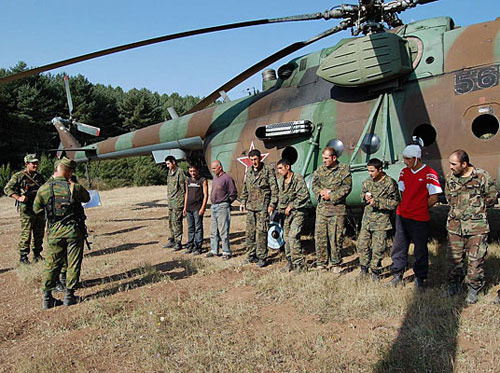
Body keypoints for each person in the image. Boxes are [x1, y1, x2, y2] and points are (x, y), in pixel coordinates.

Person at [33, 157, 90, 309]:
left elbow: (36, 209)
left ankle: (47, 298)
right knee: (73, 263)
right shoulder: (74, 188)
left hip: (54, 232)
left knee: (51, 264)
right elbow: (87, 197)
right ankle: (69, 297)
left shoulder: (44, 189)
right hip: (73, 231)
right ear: (69, 172)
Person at [444, 149, 498, 304]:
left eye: (454, 164)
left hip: (477, 228)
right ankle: (454, 285)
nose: (451, 167)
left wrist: (476, 210)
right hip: (455, 226)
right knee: (454, 260)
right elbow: (449, 197)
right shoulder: (450, 178)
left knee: (475, 261)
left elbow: (492, 196)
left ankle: (473, 289)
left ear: (464, 164)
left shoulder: (481, 176)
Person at [389, 144, 442, 290]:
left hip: (419, 218)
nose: (405, 161)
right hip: (403, 215)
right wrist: (407, 206)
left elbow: (434, 197)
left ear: (416, 158)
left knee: (420, 249)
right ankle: (397, 273)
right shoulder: (404, 172)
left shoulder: (429, 173)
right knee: (399, 246)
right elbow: (403, 193)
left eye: (407, 159)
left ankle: (420, 277)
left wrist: (420, 207)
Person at [357, 158, 400, 280]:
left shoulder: (390, 183)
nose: (370, 173)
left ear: (380, 169)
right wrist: (365, 198)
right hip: (367, 220)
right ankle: (364, 269)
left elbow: (395, 202)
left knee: (378, 248)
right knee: (362, 245)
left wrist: (377, 202)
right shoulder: (367, 182)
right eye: (368, 171)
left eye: (372, 171)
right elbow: (362, 196)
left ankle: (375, 271)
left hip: (381, 221)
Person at [312, 146, 352, 272]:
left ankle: (336, 264)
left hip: (336, 210)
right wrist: (320, 192)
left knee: (335, 238)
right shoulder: (320, 170)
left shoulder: (344, 170)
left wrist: (332, 195)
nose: (324, 161)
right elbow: (314, 184)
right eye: (323, 158)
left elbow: (347, 187)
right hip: (322, 210)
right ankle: (321, 263)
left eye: (326, 158)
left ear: (334, 158)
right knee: (320, 237)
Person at [4, 154, 46, 264]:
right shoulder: (19, 176)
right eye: (33, 163)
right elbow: (7, 189)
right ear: (27, 164)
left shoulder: (39, 177)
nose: (36, 165)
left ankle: (37, 254)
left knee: (39, 233)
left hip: (39, 209)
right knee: (26, 233)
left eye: (37, 163)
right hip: (27, 209)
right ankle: (23, 257)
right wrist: (18, 197)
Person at [240, 149, 278, 267]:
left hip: (263, 207)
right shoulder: (249, 171)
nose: (254, 162)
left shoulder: (267, 171)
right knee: (250, 233)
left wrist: (272, 205)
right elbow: (245, 188)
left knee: (261, 232)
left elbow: (274, 189)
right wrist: (243, 201)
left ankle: (262, 257)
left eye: (255, 159)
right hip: (251, 207)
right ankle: (251, 255)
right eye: (251, 160)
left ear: (260, 158)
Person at [276, 158, 310, 272]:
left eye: (280, 168)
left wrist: (291, 206)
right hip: (286, 215)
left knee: (293, 237)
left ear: (287, 167)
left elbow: (304, 195)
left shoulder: (297, 178)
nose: (279, 171)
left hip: (297, 213)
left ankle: (299, 265)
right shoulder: (281, 181)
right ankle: (290, 262)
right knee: (286, 238)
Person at [207, 160, 237, 260]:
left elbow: (233, 193)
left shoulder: (227, 178)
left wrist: (226, 203)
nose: (213, 170)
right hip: (214, 206)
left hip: (222, 207)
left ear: (220, 167)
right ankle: (214, 250)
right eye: (212, 168)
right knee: (213, 230)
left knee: (223, 231)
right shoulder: (215, 178)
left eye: (214, 168)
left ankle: (226, 252)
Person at [183, 163, 208, 255]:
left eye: (194, 171)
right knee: (190, 228)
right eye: (190, 171)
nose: (192, 173)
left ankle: (198, 247)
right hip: (189, 208)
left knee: (198, 228)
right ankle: (190, 245)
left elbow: (205, 195)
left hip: (198, 208)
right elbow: (186, 194)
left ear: (197, 171)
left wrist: (203, 207)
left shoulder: (202, 180)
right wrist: (185, 207)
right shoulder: (188, 180)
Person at [163, 156, 186, 251]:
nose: (167, 166)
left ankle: (178, 242)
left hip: (178, 202)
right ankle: (172, 239)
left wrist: (184, 202)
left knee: (177, 222)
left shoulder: (180, 172)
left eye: (168, 163)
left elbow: (184, 188)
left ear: (173, 162)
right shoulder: (170, 172)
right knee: (171, 222)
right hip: (171, 202)